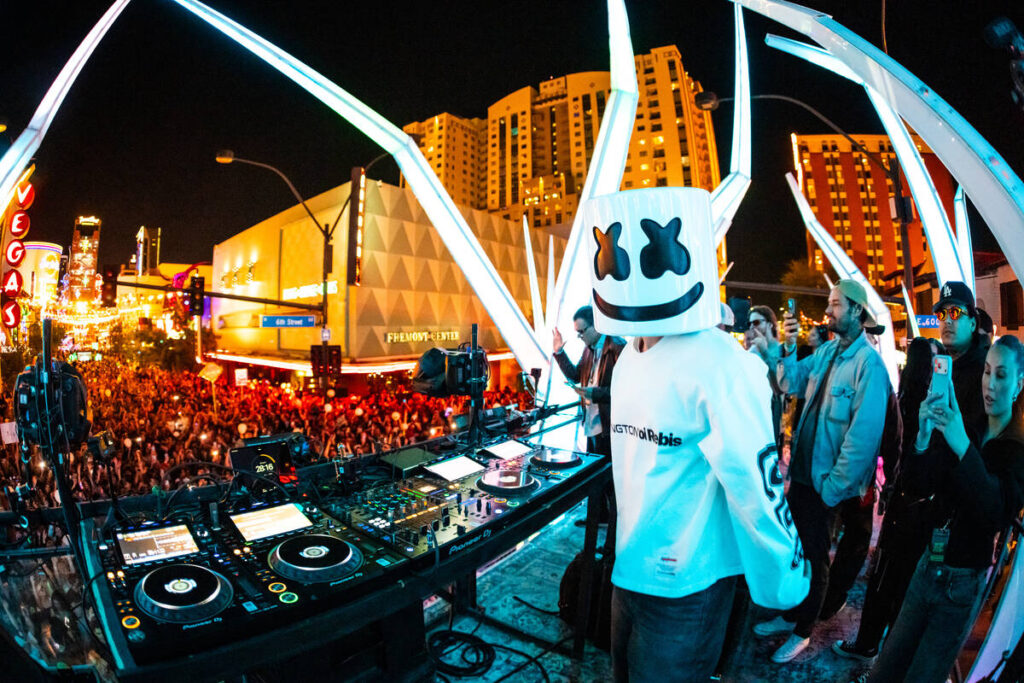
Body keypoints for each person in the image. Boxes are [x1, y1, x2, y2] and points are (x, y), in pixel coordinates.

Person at [582, 187, 808, 683]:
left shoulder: (723, 365)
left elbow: (757, 484)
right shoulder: (628, 358)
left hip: (690, 584)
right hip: (628, 569)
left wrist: (785, 576)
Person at [834, 283, 990, 662]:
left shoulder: (981, 374)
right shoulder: (946, 369)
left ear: (973, 321)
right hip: (919, 501)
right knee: (900, 586)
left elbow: (976, 452)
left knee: (917, 605)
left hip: (951, 519)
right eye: (941, 313)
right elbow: (921, 443)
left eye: (955, 313)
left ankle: (884, 654)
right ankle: (880, 653)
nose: (946, 321)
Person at [857, 334, 1024, 683]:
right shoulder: (971, 426)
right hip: (927, 564)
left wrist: (960, 441)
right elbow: (919, 485)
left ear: (1019, 384)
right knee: (886, 669)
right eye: (987, 371)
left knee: (922, 676)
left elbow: (994, 512)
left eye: (1002, 375)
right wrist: (922, 436)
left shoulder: (1015, 448)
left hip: (961, 583)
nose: (990, 384)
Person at [753, 279, 889, 664]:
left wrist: (832, 488)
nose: (827, 311)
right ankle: (792, 614)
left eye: (835, 305)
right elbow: (789, 381)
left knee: (816, 558)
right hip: (802, 476)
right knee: (797, 551)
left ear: (857, 311)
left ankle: (803, 631)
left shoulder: (870, 367)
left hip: (824, 485)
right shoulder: (828, 351)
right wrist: (787, 346)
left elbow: (862, 440)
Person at [553, 305, 625, 457]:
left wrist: (594, 393)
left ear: (596, 326)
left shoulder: (618, 347)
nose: (580, 337)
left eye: (582, 331)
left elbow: (625, 392)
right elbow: (575, 376)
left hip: (610, 427)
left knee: (606, 469)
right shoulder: (589, 349)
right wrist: (559, 352)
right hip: (592, 424)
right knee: (594, 466)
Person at [745, 305, 785, 444]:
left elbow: (780, 386)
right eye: (750, 323)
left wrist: (764, 352)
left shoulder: (782, 350)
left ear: (769, 324)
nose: (752, 327)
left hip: (772, 405)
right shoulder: (752, 350)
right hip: (753, 403)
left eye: (756, 322)